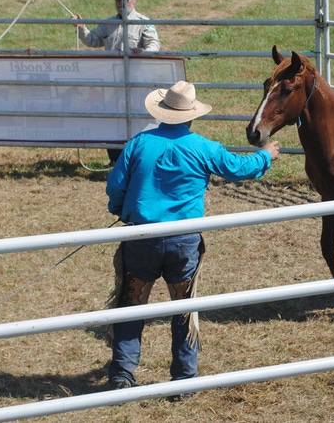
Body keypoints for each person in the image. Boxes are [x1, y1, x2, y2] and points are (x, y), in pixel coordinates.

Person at [105, 81, 280, 401]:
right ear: (191, 115)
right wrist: (265, 156)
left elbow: (116, 186)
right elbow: (238, 168)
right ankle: (184, 379)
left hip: (141, 237)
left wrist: (120, 210)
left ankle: (122, 373)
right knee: (185, 308)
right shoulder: (202, 147)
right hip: (183, 242)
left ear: (162, 112)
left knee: (131, 303)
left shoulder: (139, 144)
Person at [73, 0, 161, 165]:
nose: (121, 2)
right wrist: (81, 28)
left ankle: (139, 159)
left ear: (134, 0)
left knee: (136, 118)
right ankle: (114, 160)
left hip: (135, 80)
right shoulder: (108, 24)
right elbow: (91, 40)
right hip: (112, 82)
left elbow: (154, 45)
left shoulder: (144, 22)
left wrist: (143, 52)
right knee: (112, 119)